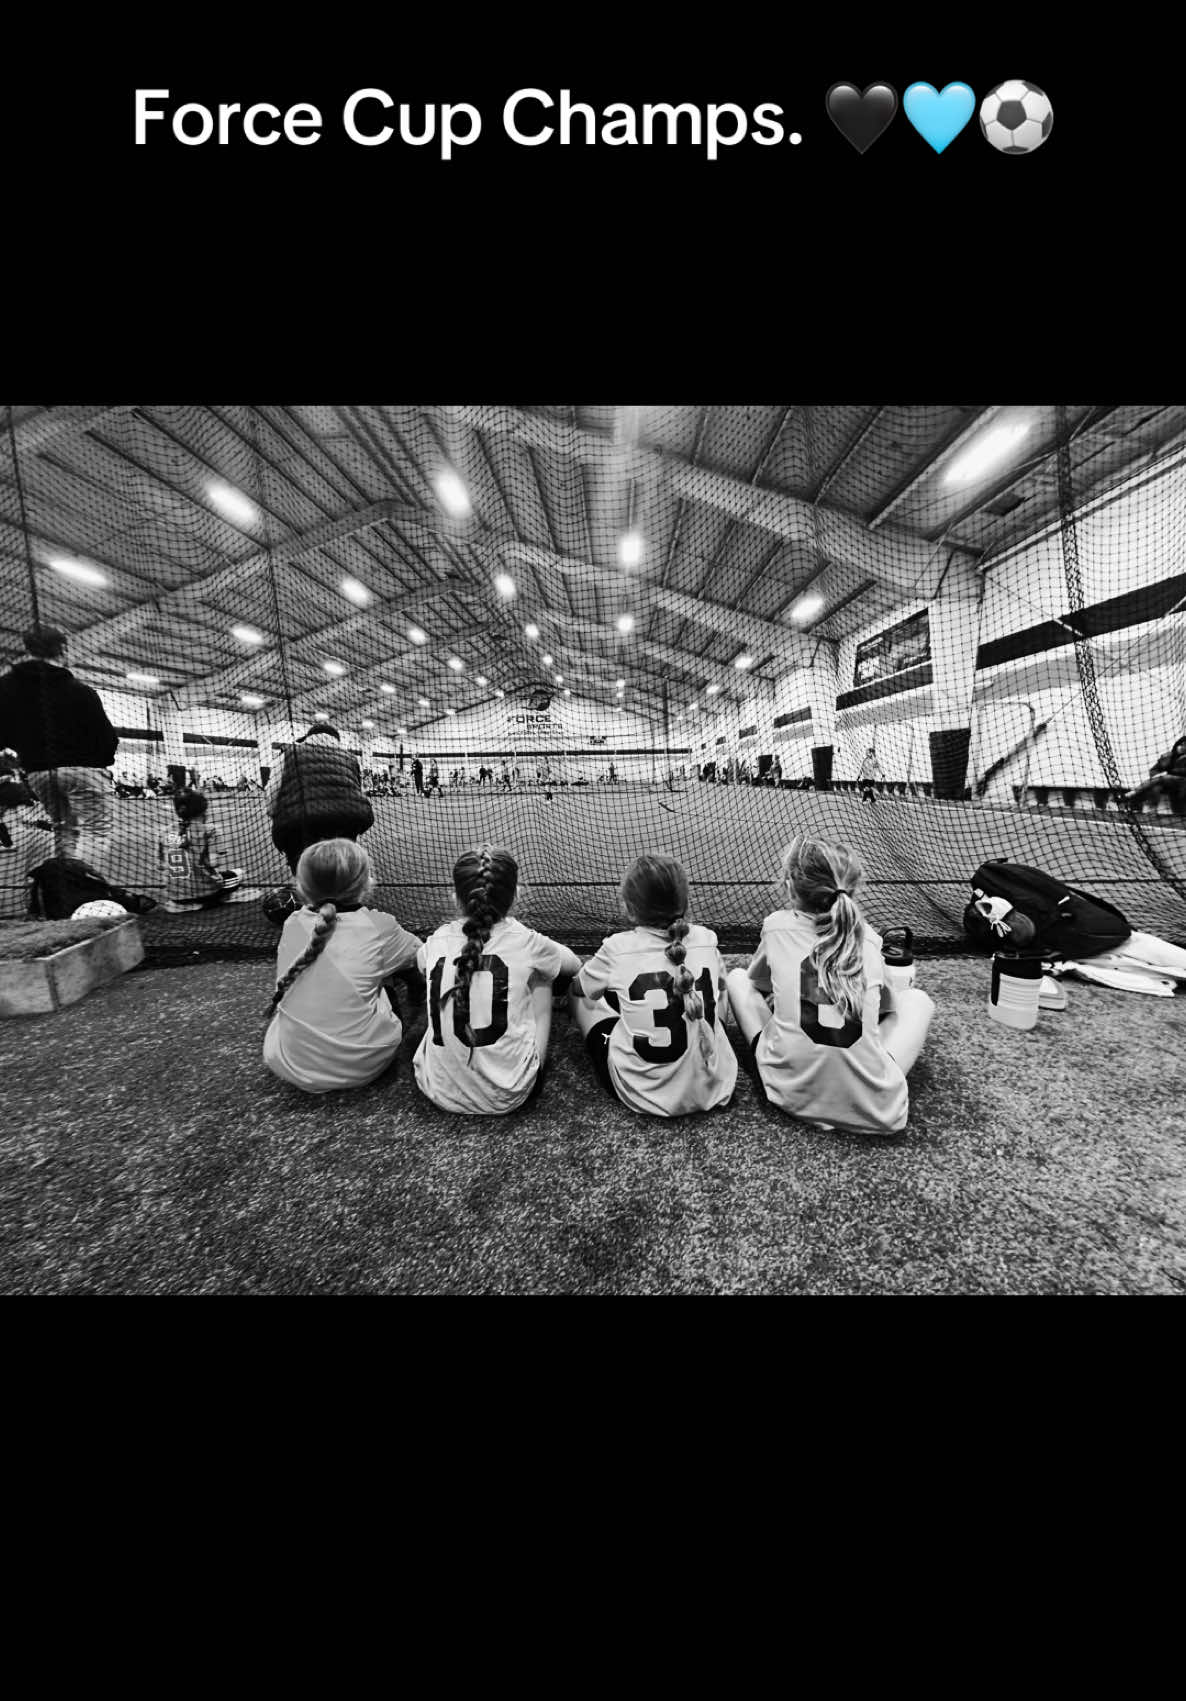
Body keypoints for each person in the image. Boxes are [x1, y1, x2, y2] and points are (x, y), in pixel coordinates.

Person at [726, 836, 934, 1137]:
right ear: (852, 888)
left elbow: (758, 984)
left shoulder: (775, 927)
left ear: (790, 887)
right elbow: (888, 1010)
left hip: (787, 1091)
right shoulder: (869, 940)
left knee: (737, 979)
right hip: (873, 1106)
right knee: (917, 999)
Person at [414, 845, 580, 1115]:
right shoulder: (526, 941)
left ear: (455, 897)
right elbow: (573, 964)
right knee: (543, 977)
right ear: (516, 895)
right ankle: (534, 1062)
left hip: (437, 1089)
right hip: (510, 1092)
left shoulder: (437, 939)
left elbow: (421, 963)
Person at [569, 853, 738, 1118]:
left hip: (643, 1093)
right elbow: (721, 988)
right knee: (722, 989)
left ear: (630, 908)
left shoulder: (616, 948)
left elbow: (580, 988)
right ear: (685, 903)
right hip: (714, 1085)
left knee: (581, 995)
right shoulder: (707, 938)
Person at [263, 839, 423, 1093]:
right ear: (366, 882)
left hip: (287, 1062)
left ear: (301, 886)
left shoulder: (292, 922)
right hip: (363, 1065)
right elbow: (420, 957)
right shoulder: (379, 926)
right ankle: (418, 1001)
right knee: (393, 968)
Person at [0, 624, 118, 864]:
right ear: (62, 648)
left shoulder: (6, 687)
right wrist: (100, 764)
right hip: (84, 771)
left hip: (39, 774)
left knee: (63, 829)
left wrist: (26, 751)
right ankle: (83, 884)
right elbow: (108, 739)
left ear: (27, 647)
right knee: (95, 831)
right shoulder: (81, 691)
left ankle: (63, 880)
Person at [265, 722, 374, 874]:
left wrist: (274, 815)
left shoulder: (289, 753)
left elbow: (272, 791)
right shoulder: (351, 758)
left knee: (305, 873)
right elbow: (357, 791)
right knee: (340, 870)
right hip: (347, 821)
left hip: (301, 823)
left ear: (309, 737)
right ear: (336, 739)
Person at [158, 789, 242, 911]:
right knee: (239, 874)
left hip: (175, 895)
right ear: (203, 810)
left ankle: (185, 902)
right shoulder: (210, 830)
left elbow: (161, 866)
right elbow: (214, 863)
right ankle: (216, 899)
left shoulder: (164, 831)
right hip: (205, 893)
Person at [1123, 732, 1186, 812]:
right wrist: (1160, 774)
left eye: (1185, 746)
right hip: (1165, 783)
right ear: (1177, 745)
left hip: (1182, 783)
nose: (1182, 747)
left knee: (1164, 778)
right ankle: (1149, 810)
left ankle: (1134, 792)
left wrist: (1171, 772)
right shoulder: (1168, 757)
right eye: (1181, 745)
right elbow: (1153, 771)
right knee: (1156, 787)